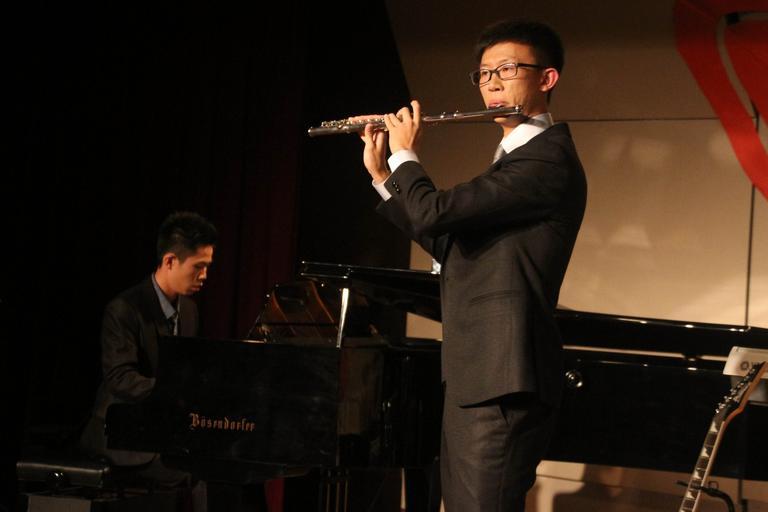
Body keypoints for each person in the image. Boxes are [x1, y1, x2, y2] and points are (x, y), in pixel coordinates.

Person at [358, 19, 587, 511]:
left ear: (546, 78)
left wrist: (405, 156)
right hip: (480, 374)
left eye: (507, 69)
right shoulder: (515, 162)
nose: (492, 83)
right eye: (484, 74)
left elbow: (435, 211)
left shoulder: (545, 160)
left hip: (503, 376)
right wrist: (383, 176)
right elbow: (450, 243)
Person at [80, 211, 216, 475]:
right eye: (198, 266)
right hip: (120, 433)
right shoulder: (124, 309)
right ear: (170, 261)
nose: (204, 275)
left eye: (208, 266)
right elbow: (120, 379)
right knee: (186, 473)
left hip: (161, 428)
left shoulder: (190, 310)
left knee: (212, 468)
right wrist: (177, 391)